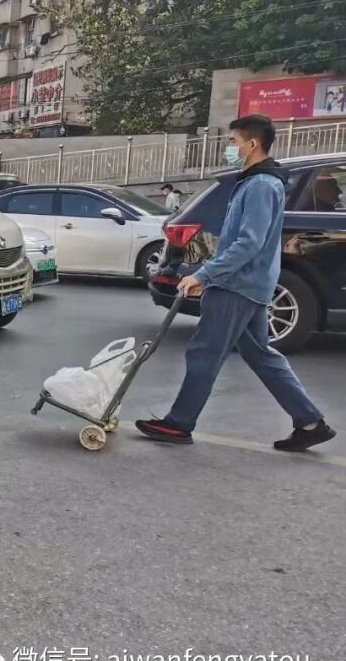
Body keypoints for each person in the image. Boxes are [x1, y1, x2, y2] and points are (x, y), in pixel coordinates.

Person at [136, 115, 335, 451]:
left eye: (232, 142)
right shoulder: (258, 181)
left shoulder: (260, 185)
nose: (229, 148)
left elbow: (248, 243)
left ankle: (179, 423)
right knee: (261, 354)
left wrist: (204, 274)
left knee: (204, 352)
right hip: (246, 282)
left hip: (237, 286)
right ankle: (310, 422)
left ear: (252, 144)